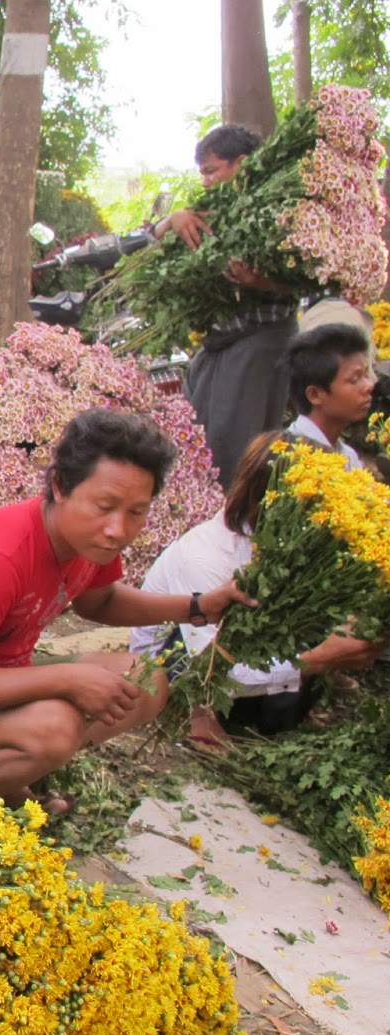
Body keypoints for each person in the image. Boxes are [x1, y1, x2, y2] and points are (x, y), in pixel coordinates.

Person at [0, 409, 253, 829]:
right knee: (57, 728)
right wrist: (68, 680)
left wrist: (197, 607)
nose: (118, 529)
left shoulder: (88, 541)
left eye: (136, 512)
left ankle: (7, 773)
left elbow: (99, 602)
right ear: (61, 487)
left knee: (145, 680)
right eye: (105, 506)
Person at [130, 430, 380, 747]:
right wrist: (315, 660)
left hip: (242, 667)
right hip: (182, 669)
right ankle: (197, 718)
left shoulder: (285, 545)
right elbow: (206, 667)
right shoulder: (207, 555)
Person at [154, 124, 298, 492]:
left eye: (211, 171)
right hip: (219, 341)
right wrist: (173, 219)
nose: (205, 181)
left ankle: (230, 513)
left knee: (237, 448)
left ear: (242, 163)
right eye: (202, 172)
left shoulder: (281, 208)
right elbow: (152, 239)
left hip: (260, 342)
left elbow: (306, 278)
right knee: (196, 436)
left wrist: (260, 282)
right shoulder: (214, 207)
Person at [282, 322, 375, 470]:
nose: (369, 385)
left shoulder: (348, 457)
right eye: (354, 379)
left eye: (366, 375)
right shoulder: (288, 458)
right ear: (315, 395)